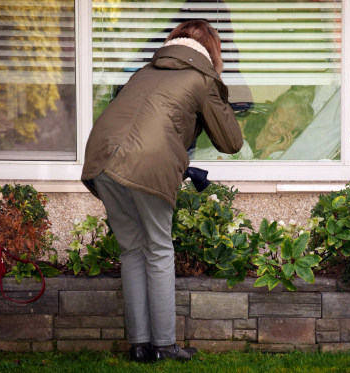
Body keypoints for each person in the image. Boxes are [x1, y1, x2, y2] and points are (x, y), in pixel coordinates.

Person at [81, 20, 243, 362]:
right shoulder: (200, 78)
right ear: (212, 51)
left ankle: (140, 346)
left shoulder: (144, 72)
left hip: (101, 158)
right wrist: (217, 87)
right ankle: (165, 346)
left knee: (131, 251)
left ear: (173, 42)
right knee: (157, 249)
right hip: (146, 163)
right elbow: (231, 141)